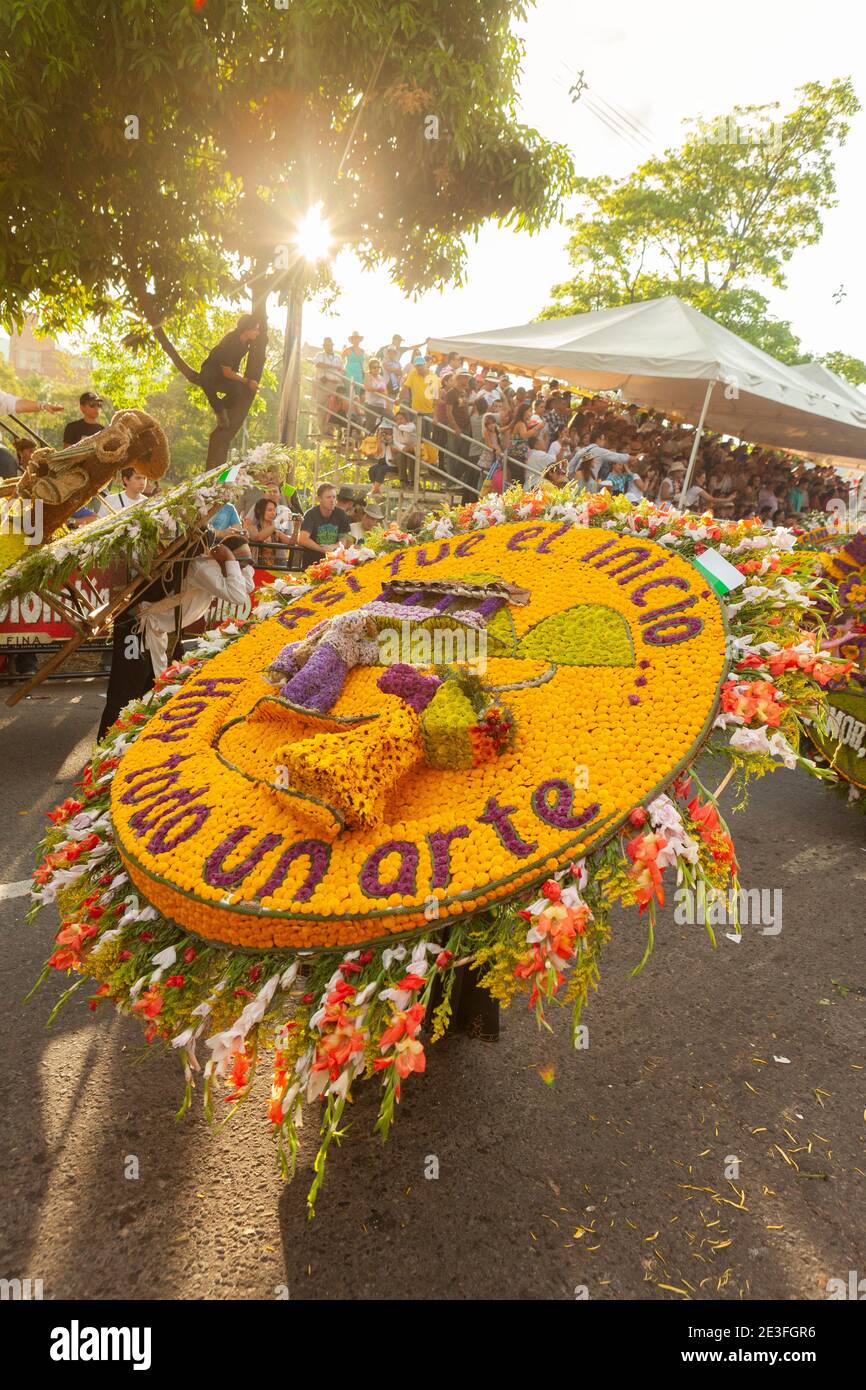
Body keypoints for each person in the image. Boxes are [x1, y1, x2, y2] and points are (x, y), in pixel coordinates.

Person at [198, 314, 262, 427]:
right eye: (255, 329)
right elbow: (227, 372)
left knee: (237, 389)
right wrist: (247, 381)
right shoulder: (232, 341)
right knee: (209, 384)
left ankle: (222, 409)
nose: (258, 333)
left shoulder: (246, 342)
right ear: (247, 329)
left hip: (224, 374)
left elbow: (232, 368)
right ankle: (219, 411)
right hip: (211, 372)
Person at [298, 483, 351, 569]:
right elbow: (302, 539)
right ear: (320, 499)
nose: (332, 500)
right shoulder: (311, 514)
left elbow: (344, 540)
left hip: (334, 565)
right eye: (328, 497)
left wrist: (332, 547)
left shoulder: (341, 514)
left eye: (334, 497)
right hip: (311, 565)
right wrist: (322, 549)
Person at [313, 336, 346, 434]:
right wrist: (331, 366)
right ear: (323, 346)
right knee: (321, 407)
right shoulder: (320, 355)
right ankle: (323, 430)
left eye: (329, 345)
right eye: (326, 345)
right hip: (324, 383)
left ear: (332, 345)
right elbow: (317, 364)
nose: (328, 347)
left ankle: (331, 430)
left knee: (334, 408)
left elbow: (343, 370)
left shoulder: (338, 357)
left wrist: (339, 376)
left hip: (335, 385)